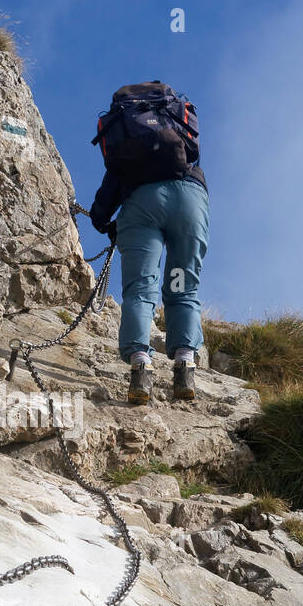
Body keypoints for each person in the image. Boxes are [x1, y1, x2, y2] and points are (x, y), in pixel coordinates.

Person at [89, 83, 210, 405]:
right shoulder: (176, 123)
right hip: (189, 200)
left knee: (141, 289)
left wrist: (101, 219)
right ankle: (185, 365)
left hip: (141, 205)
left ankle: (141, 366)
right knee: (184, 285)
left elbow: (111, 183)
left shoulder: (124, 135)